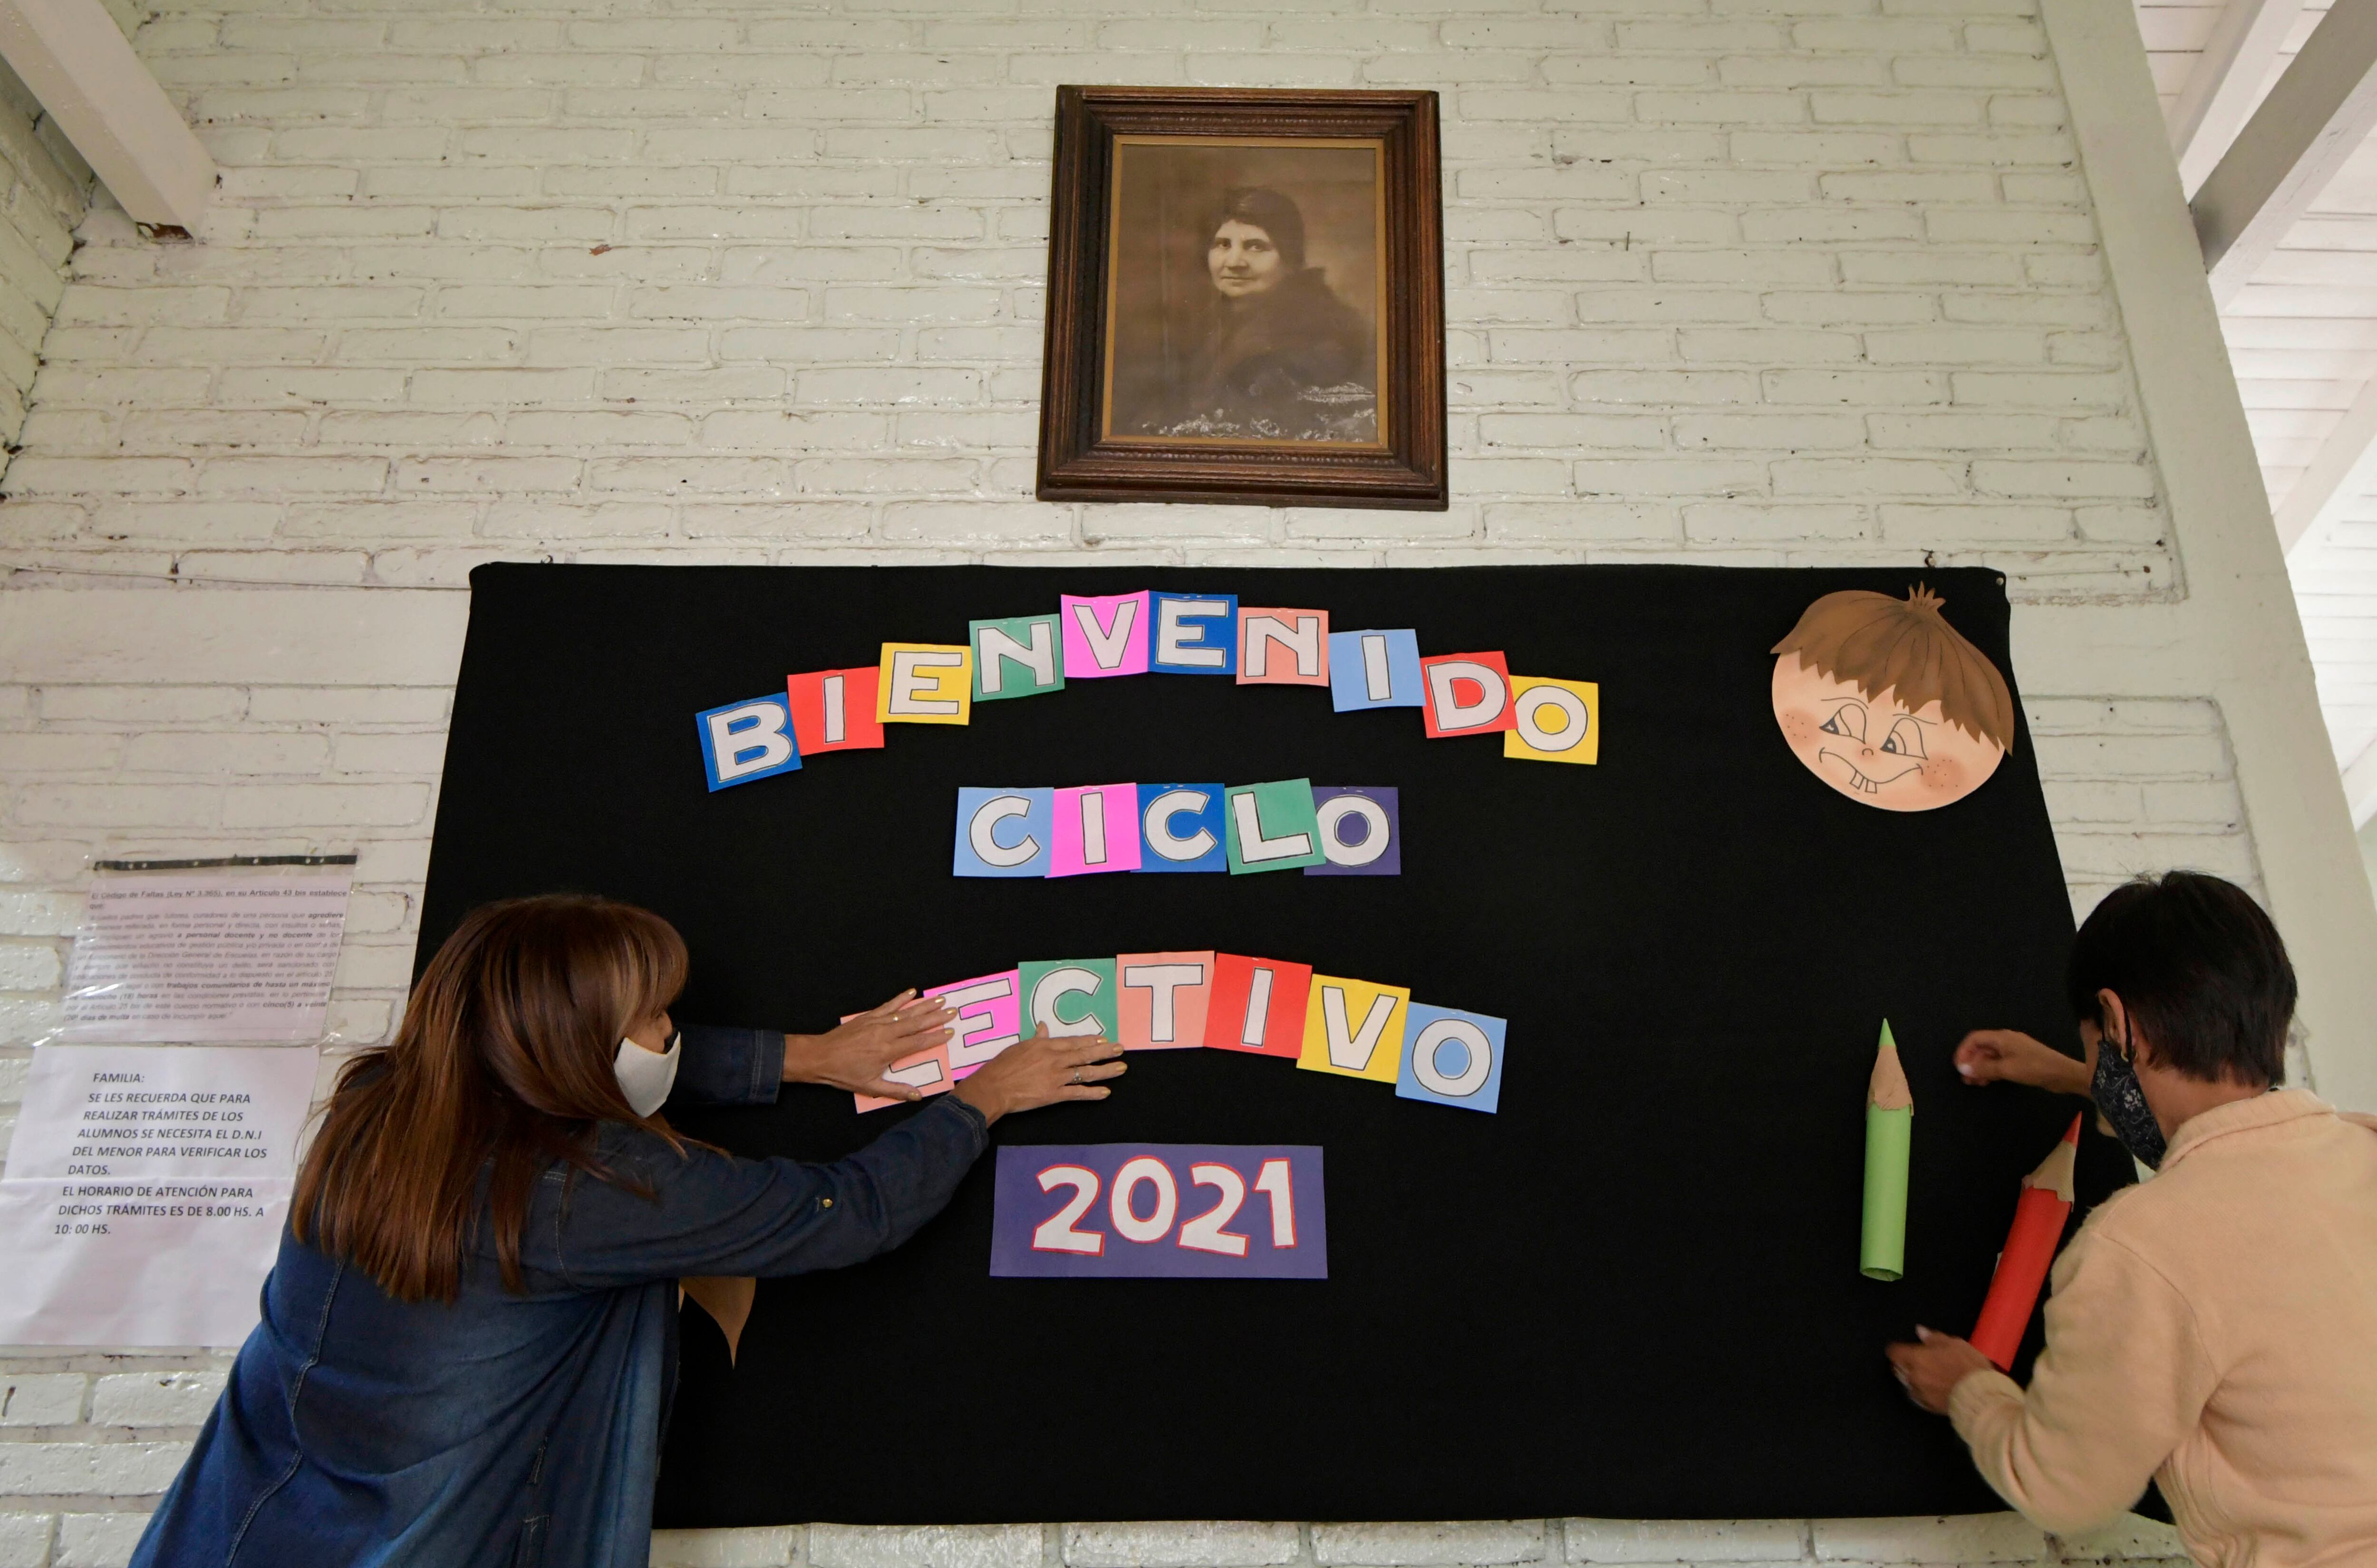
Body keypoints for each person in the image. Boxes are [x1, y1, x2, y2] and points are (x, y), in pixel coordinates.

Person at [128, 895, 1125, 1568]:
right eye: (656, 1017)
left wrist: (806, 1058)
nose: (668, 1037)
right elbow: (846, 1211)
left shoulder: (381, 1103)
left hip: (237, 1527)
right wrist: (981, 1098)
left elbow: (565, 1066)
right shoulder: (588, 1192)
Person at [1886, 871, 2377, 1562]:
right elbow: (2227, 1151)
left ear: (2118, 1023)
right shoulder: (2363, 1147)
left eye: (2094, 1043)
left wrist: (1969, 1388)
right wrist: (2072, 1073)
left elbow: (2063, 1491)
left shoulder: (2139, 1242)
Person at [1137, 186, 1377, 444]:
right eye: (1222, 244)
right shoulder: (1213, 322)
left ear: (1291, 259)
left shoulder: (1321, 337)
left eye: (1256, 247)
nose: (1234, 262)